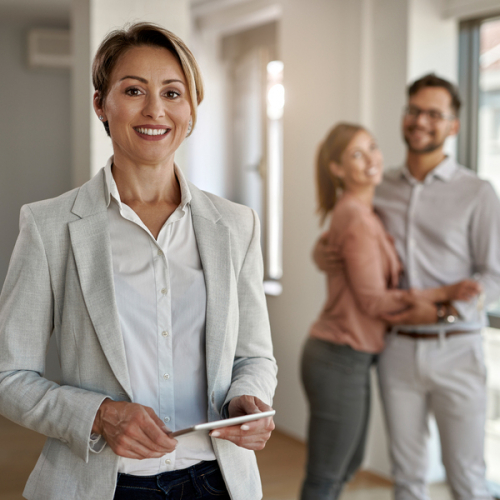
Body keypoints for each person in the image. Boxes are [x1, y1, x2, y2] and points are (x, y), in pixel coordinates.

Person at [0, 22, 277, 500]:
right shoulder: (48, 227)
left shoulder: (236, 225)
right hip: (103, 486)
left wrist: (248, 398)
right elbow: (9, 376)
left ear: (190, 111)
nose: (155, 110)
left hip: (217, 482)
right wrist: (99, 414)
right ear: (100, 104)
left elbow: (254, 355)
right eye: (133, 90)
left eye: (173, 92)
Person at [300, 122, 476, 500]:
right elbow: (374, 302)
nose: (371, 160)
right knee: (327, 476)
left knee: (343, 468)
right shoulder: (356, 216)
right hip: (338, 355)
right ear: (337, 169)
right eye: (356, 155)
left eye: (372, 148)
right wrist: (444, 297)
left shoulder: (369, 210)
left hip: (354, 357)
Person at [375, 74, 500, 500]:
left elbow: (495, 274)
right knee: (407, 479)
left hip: (458, 349)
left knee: (466, 478)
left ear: (453, 126)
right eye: (414, 110)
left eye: (434, 113)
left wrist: (444, 310)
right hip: (397, 350)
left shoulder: (477, 192)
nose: (420, 121)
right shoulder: (381, 187)